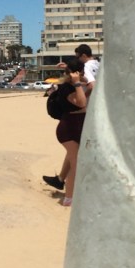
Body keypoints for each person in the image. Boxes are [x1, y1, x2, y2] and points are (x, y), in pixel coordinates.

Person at [44, 56, 87, 207]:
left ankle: (61, 182)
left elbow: (87, 82)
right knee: (76, 165)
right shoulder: (67, 88)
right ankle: (68, 198)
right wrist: (77, 82)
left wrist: (74, 75)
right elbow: (82, 102)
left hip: (76, 126)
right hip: (68, 130)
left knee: (74, 161)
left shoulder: (73, 84)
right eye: (82, 72)